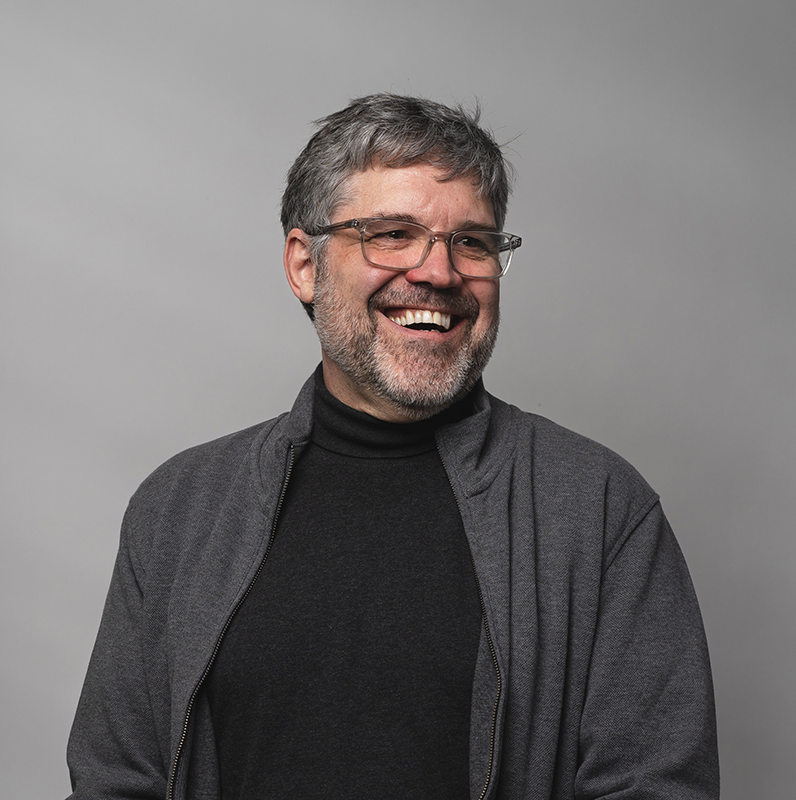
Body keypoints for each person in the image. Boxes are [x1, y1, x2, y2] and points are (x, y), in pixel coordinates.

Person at [66, 94, 719, 800]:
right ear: (304, 265)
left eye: (471, 242)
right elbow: (114, 784)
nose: (438, 272)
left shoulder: (598, 510)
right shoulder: (179, 508)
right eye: (393, 233)